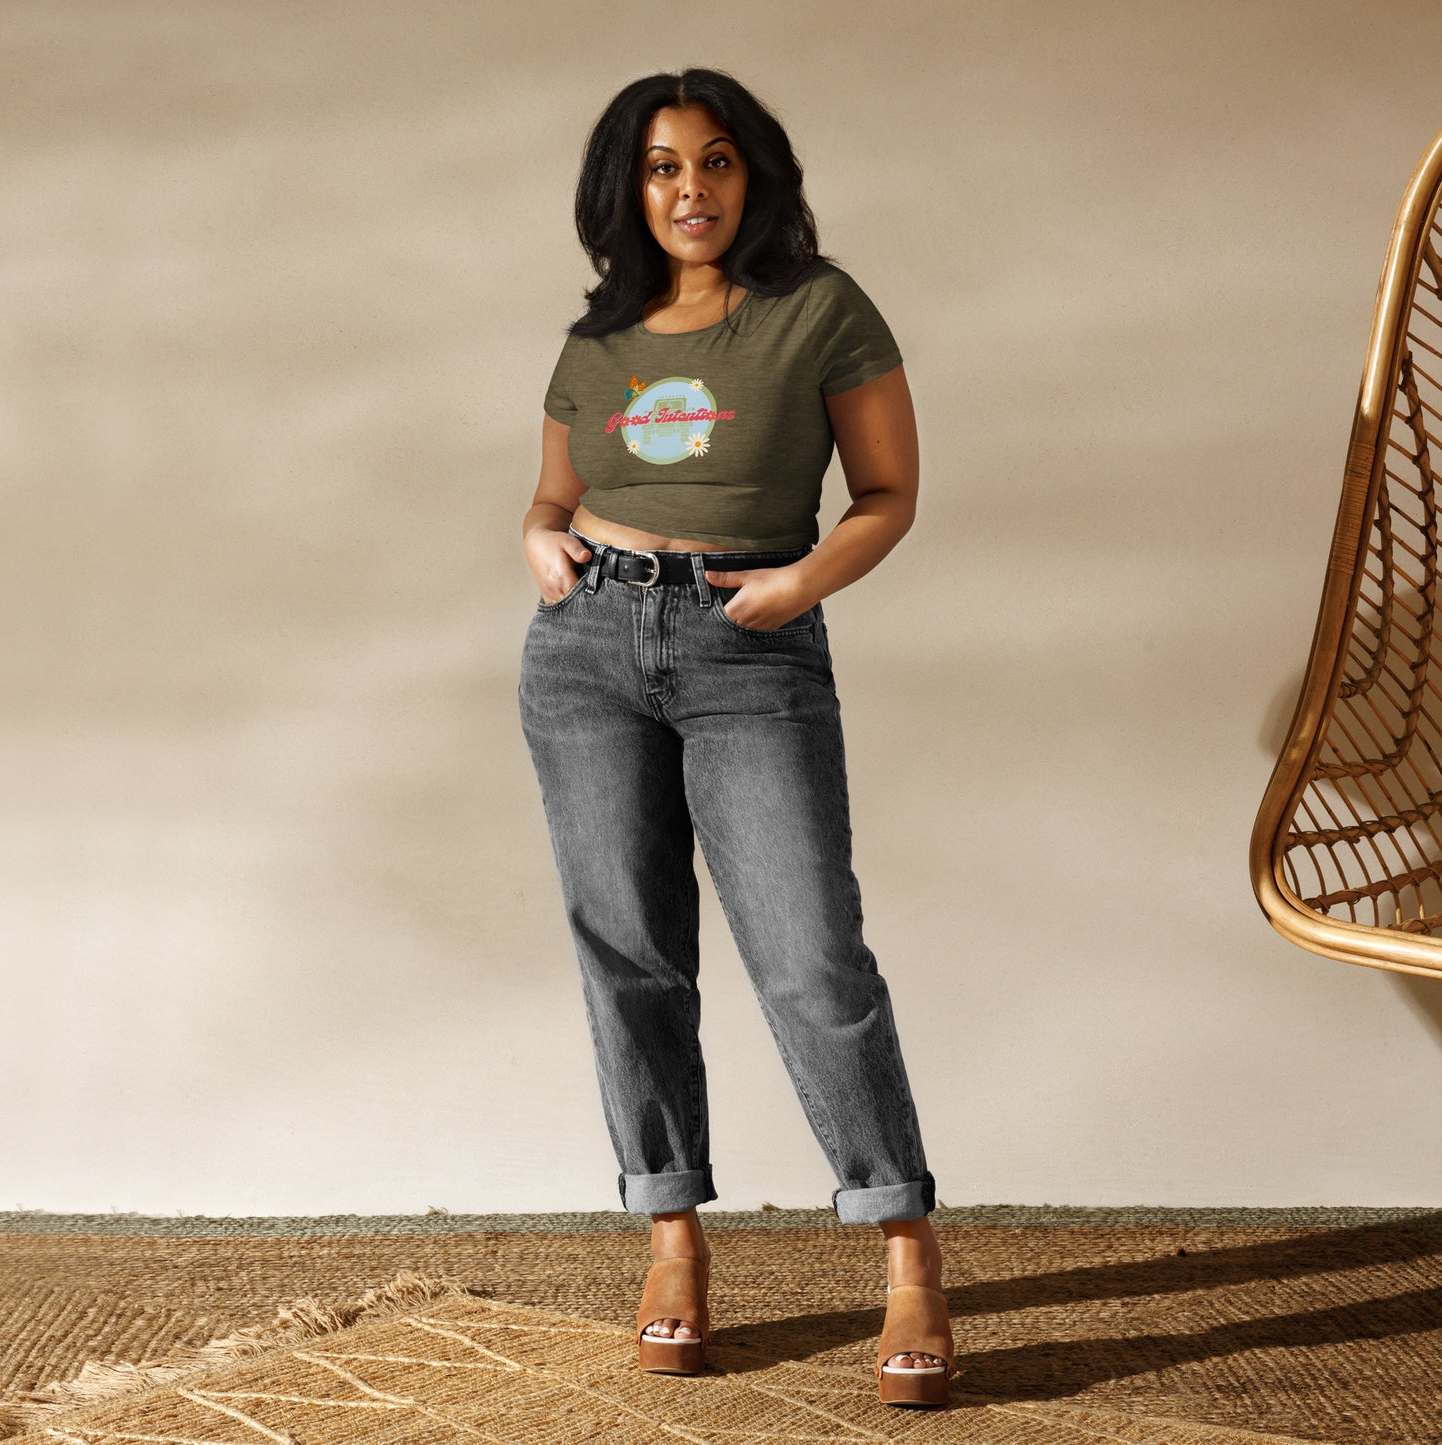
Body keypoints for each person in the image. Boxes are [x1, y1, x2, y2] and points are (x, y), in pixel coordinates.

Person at [518, 67, 956, 1407]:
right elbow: (550, 496)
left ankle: (906, 1248)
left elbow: (886, 489)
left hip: (747, 640)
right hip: (586, 650)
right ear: (626, 188)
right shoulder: (598, 339)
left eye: (713, 162)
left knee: (812, 950)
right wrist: (541, 545)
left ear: (751, 175)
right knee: (629, 953)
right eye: (660, 167)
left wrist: (801, 584)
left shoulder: (820, 310)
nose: (689, 190)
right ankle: (671, 1241)